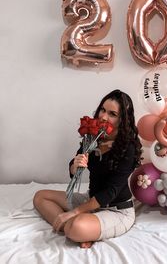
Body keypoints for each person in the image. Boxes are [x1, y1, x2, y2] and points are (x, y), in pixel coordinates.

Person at [33, 89, 142, 248]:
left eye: (112, 114)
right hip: (90, 200)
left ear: (122, 120)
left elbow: (110, 192)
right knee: (40, 196)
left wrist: (75, 212)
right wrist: (74, 166)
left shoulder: (128, 147)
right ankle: (77, 229)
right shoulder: (93, 137)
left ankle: (78, 228)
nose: (103, 116)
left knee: (76, 226)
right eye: (103, 110)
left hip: (115, 210)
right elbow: (75, 164)